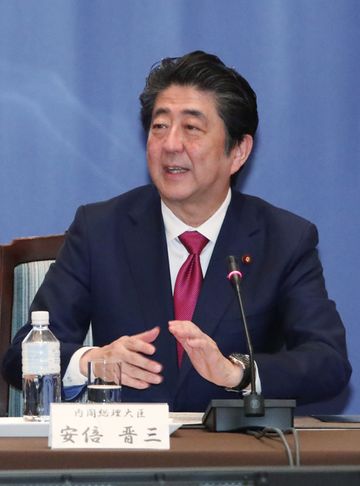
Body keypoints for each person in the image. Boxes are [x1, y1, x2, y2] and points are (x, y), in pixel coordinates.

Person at [2, 51, 351, 412]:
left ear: (238, 151)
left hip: (236, 458)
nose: (170, 145)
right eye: (160, 126)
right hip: (126, 458)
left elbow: (327, 362)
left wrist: (239, 373)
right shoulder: (101, 229)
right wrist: (93, 360)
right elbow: (22, 354)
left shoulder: (284, 239)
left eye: (192, 128)